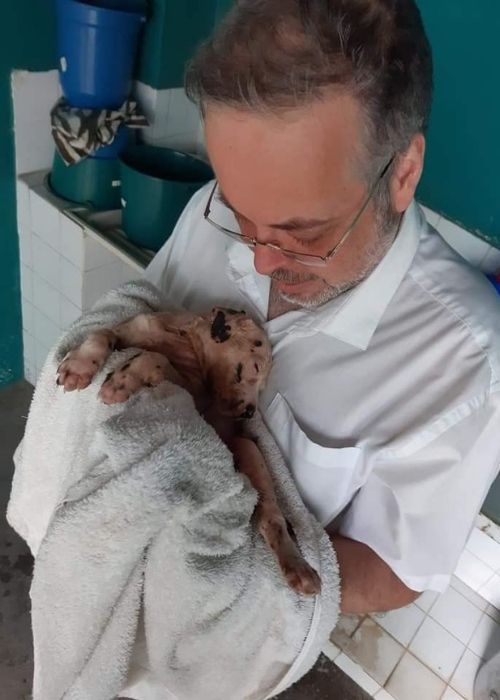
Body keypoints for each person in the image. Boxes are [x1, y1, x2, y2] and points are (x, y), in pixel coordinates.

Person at [145, 0, 500, 615]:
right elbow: (136, 331)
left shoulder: (464, 360)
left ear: (403, 173)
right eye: (241, 213)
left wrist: (235, 586)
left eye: (302, 234)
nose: (260, 259)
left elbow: (396, 566)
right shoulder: (212, 211)